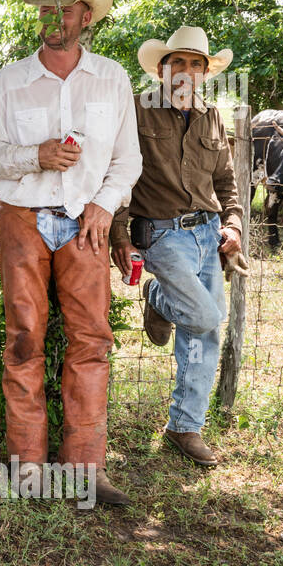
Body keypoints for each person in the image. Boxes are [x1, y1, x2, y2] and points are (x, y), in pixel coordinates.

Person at [0, 0, 141, 506]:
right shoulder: (8, 81)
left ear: (87, 17)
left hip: (85, 220)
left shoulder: (112, 78)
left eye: (64, 9)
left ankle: (85, 470)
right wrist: (33, 156)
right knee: (24, 338)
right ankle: (26, 466)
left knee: (91, 341)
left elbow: (127, 158)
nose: (53, 18)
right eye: (45, 9)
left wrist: (102, 206)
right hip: (22, 218)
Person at [111, 26, 242, 467]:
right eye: (178, 62)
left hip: (208, 233)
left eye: (196, 64)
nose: (187, 71)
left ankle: (185, 427)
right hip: (162, 234)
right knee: (207, 316)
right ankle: (158, 295)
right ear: (163, 69)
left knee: (204, 335)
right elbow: (117, 175)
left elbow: (225, 182)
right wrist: (119, 235)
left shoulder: (212, 116)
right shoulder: (137, 111)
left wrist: (234, 226)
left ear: (206, 73)